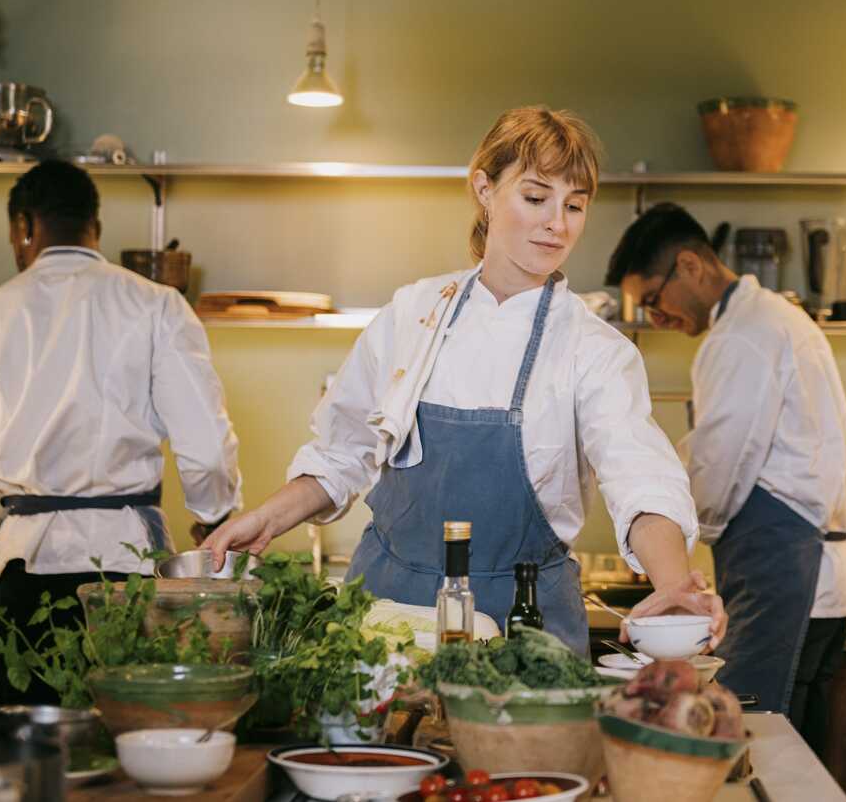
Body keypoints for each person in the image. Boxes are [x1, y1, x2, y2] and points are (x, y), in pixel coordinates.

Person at [204, 107, 725, 654]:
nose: (558, 223)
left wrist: (671, 582)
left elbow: (639, 476)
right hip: (387, 613)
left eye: (575, 205)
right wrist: (265, 520)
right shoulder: (412, 315)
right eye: (535, 197)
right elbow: (341, 454)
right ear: (484, 189)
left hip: (522, 626)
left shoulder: (593, 349)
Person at [0, 160, 243, 705]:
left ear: (23, 228)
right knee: (133, 735)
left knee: (38, 748)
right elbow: (206, 454)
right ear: (97, 226)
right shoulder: (157, 305)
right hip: (128, 565)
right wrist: (213, 520)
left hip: (23, 570)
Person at [606, 202, 846, 757]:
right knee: (792, 753)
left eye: (654, 301)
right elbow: (725, 450)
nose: (656, 319)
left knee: (749, 748)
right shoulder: (771, 319)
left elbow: (718, 469)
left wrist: (665, 543)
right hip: (815, 588)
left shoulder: (740, 337)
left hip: (783, 582)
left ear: (691, 265)